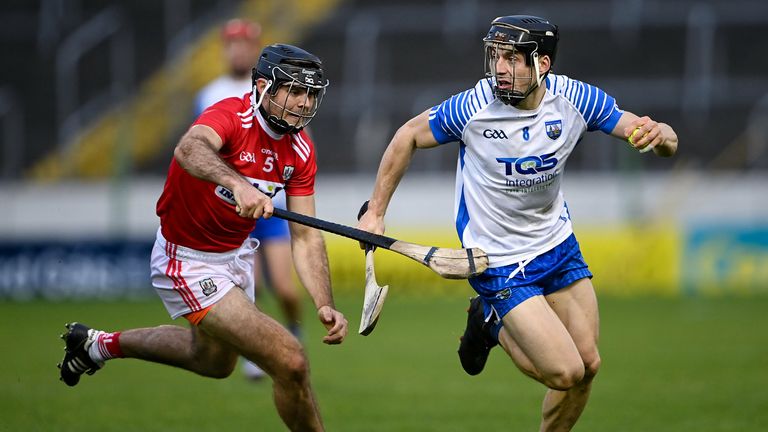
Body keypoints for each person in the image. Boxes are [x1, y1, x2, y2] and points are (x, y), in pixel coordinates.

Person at [357, 15, 677, 431]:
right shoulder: (474, 106)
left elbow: (648, 133)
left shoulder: (575, 99)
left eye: (512, 59)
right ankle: (490, 320)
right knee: (565, 372)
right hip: (499, 259)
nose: (499, 69)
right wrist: (377, 212)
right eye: (495, 57)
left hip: (557, 245)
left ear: (542, 64)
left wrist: (665, 135)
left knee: (589, 364)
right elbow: (408, 136)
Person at [58, 43, 348, 432]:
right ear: (263, 86)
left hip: (236, 255)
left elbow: (306, 236)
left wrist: (324, 302)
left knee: (211, 362)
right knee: (290, 359)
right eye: (294, 90)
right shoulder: (231, 114)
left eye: (311, 93)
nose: (303, 102)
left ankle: (98, 346)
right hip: (188, 260)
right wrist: (237, 184)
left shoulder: (300, 150)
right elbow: (188, 148)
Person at [196, 18, 305, 380]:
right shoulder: (211, 93)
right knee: (247, 284)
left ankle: (293, 330)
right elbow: (203, 149)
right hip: (230, 205)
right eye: (232, 44)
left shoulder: (278, 88)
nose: (237, 50)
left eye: (244, 44)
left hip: (270, 205)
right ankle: (253, 354)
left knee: (287, 288)